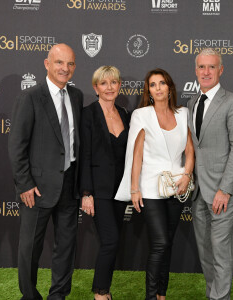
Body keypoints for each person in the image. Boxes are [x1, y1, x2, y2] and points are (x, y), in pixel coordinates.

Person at [8, 43, 83, 300]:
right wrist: (24, 184)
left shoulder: (77, 96)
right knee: (30, 248)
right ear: (47, 64)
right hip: (37, 187)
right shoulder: (29, 98)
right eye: (59, 62)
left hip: (69, 184)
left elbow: (74, 142)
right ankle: (29, 296)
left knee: (66, 247)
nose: (65, 68)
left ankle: (58, 295)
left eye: (70, 63)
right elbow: (17, 145)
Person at [115, 68, 195, 300]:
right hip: (150, 187)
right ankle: (151, 297)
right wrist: (134, 188)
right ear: (148, 90)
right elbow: (135, 154)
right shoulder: (142, 114)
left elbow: (189, 150)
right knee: (160, 242)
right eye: (153, 84)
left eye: (162, 83)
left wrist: (187, 175)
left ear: (169, 87)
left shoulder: (183, 113)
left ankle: (162, 294)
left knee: (167, 242)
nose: (158, 88)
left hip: (178, 186)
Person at [187, 48, 233, 300]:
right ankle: (213, 295)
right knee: (206, 253)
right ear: (196, 70)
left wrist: (224, 190)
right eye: (202, 67)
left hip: (223, 193)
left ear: (221, 70)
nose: (206, 72)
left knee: (221, 252)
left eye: (212, 67)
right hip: (199, 192)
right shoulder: (192, 103)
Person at [80, 66, 130, 300]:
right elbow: (85, 155)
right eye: (104, 83)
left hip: (121, 190)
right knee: (110, 240)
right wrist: (86, 192)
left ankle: (105, 291)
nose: (109, 87)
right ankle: (100, 294)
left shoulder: (125, 113)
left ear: (119, 85)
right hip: (98, 191)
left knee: (113, 241)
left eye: (114, 82)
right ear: (95, 87)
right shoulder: (88, 114)